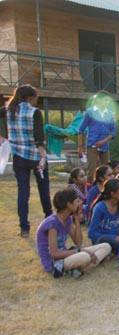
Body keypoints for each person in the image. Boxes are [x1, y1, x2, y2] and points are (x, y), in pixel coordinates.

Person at [2, 85, 52, 237]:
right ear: (30, 98)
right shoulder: (34, 112)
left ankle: (24, 227)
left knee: (23, 192)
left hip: (19, 156)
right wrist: (43, 157)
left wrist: (3, 136)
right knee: (44, 190)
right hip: (36, 157)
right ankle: (49, 221)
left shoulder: (8, 110)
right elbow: (39, 139)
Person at [36, 188, 111, 278]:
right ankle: (79, 267)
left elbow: (78, 243)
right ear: (69, 204)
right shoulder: (52, 224)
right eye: (77, 201)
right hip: (54, 263)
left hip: (65, 255)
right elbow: (54, 254)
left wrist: (77, 220)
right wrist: (79, 251)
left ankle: (79, 268)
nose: (80, 204)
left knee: (106, 246)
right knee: (84, 256)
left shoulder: (67, 219)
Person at [79, 91, 116, 179]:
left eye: (108, 101)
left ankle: (104, 191)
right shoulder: (90, 112)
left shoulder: (110, 114)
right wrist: (80, 147)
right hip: (92, 145)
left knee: (106, 171)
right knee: (91, 171)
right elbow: (81, 130)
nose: (107, 102)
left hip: (105, 147)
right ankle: (89, 191)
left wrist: (103, 141)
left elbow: (113, 132)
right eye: (105, 100)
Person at [88, 178, 119, 254]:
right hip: (102, 240)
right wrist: (113, 238)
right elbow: (91, 233)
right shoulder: (100, 208)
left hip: (118, 239)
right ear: (113, 194)